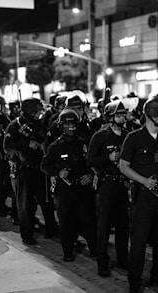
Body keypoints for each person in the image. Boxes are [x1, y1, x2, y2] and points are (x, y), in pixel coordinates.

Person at [120, 95, 158, 293]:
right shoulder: (133, 138)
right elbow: (123, 166)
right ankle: (135, 282)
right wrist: (143, 180)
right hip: (144, 198)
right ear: (153, 115)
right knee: (139, 241)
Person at [41, 109, 97, 261]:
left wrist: (90, 175)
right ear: (61, 126)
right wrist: (58, 173)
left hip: (83, 188)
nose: (71, 127)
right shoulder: (55, 146)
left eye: (73, 124)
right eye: (67, 124)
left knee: (88, 220)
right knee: (66, 222)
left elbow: (92, 164)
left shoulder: (84, 143)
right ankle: (68, 252)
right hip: (65, 189)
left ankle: (94, 249)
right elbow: (45, 166)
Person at [4, 98, 58, 245]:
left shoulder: (39, 124)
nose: (40, 113)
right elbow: (8, 146)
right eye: (37, 110)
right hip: (24, 170)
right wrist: (27, 144)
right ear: (30, 111)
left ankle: (51, 229)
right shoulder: (15, 125)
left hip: (40, 168)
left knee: (46, 201)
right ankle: (27, 235)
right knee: (26, 205)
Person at [87, 100, 130, 277]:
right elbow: (90, 161)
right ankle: (102, 262)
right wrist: (108, 157)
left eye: (123, 114)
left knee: (123, 225)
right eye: (118, 115)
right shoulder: (100, 136)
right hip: (107, 184)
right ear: (110, 117)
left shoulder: (128, 135)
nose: (122, 117)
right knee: (103, 225)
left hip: (123, 184)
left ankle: (122, 259)